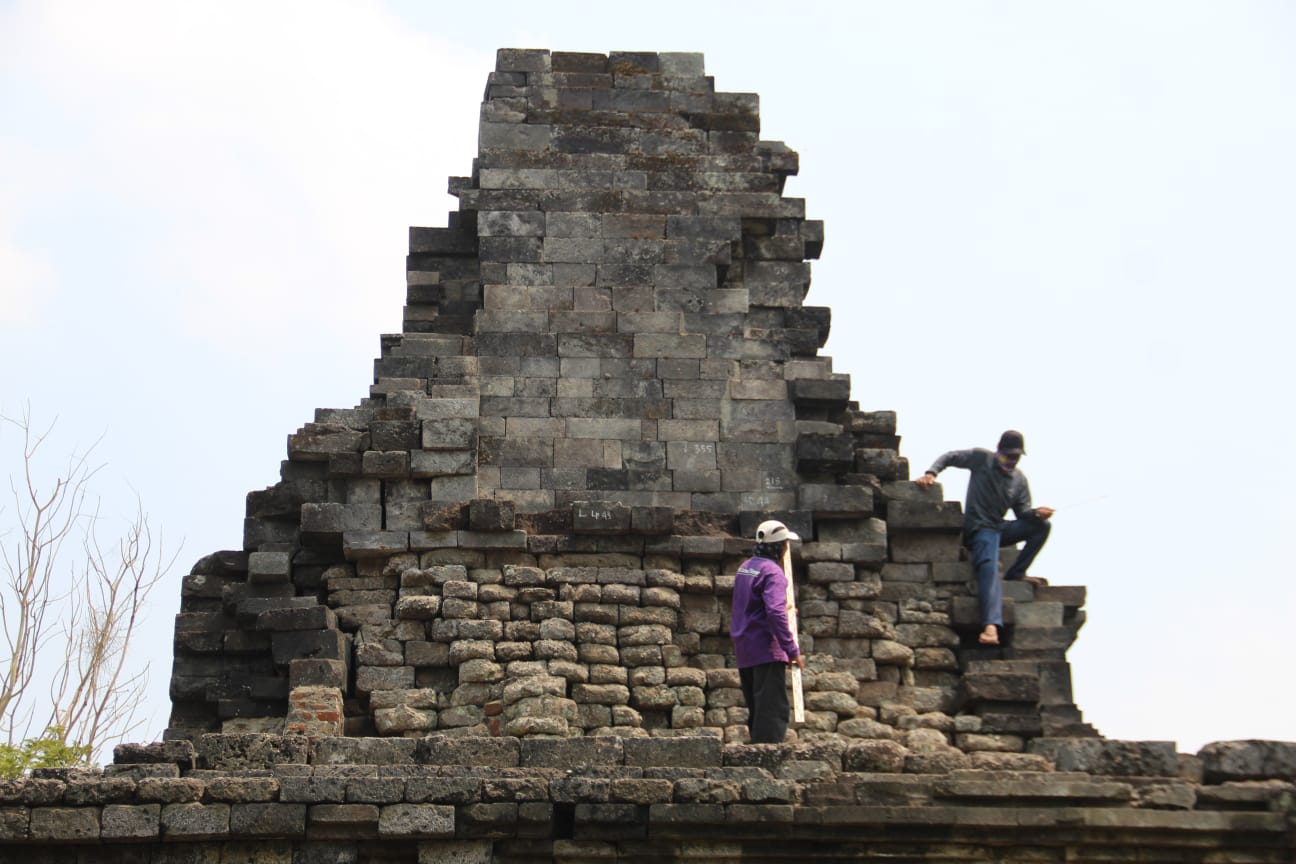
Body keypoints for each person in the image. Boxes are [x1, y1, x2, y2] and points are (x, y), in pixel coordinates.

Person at [914, 430, 1055, 646]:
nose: (1011, 461)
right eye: (1008, 456)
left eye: (1016, 457)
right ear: (999, 450)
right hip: (980, 528)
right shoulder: (982, 459)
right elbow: (951, 456)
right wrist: (931, 473)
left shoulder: (1018, 479)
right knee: (989, 565)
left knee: (1042, 527)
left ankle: (1017, 572)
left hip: (999, 528)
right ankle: (991, 625)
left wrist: (1036, 514)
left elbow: (1022, 513)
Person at [730, 519, 805, 744]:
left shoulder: (746, 568)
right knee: (772, 712)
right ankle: (766, 759)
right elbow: (774, 612)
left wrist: (784, 609)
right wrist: (792, 650)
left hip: (745, 648)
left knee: (758, 710)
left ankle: (755, 754)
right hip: (766, 650)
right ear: (780, 547)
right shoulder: (773, 573)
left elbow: (754, 605)